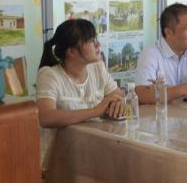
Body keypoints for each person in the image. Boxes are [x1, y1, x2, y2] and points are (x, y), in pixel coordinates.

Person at [35, 19, 124, 162]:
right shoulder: (49, 75)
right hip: (58, 160)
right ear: (72, 51)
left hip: (93, 151)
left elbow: (117, 93)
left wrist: (117, 102)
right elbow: (46, 117)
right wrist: (95, 111)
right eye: (91, 41)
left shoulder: (98, 67)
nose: (98, 44)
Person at [134, 3, 187, 104]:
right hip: (161, 112)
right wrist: (183, 90)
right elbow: (142, 94)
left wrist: (167, 91)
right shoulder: (150, 54)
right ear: (168, 32)